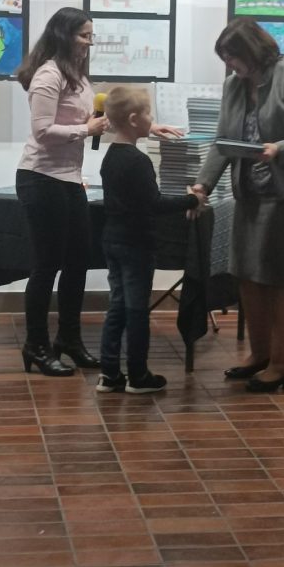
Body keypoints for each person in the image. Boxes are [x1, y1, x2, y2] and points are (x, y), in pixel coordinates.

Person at [15, 8, 182, 377]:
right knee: (46, 266)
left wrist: (150, 127)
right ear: (63, 35)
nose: (89, 43)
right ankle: (36, 345)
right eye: (83, 36)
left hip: (69, 179)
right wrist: (85, 130)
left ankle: (69, 340)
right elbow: (43, 131)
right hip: (40, 178)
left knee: (77, 262)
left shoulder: (77, 76)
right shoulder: (48, 75)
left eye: (91, 36)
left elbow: (101, 120)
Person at [194, 19, 284, 392]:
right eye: (225, 59)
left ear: (254, 51)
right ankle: (259, 355)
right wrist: (203, 184)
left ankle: (281, 364)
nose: (230, 65)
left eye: (233, 57)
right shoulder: (233, 85)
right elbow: (223, 141)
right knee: (246, 272)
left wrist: (280, 149)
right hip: (251, 187)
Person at [97, 86, 206, 394]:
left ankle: (109, 373)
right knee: (136, 310)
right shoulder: (138, 161)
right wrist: (191, 200)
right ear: (134, 119)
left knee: (117, 305)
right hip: (136, 244)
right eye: (148, 113)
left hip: (112, 240)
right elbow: (153, 204)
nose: (152, 119)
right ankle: (138, 375)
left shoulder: (110, 157)